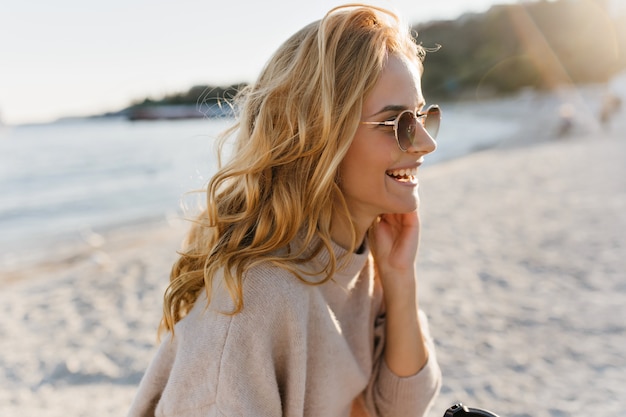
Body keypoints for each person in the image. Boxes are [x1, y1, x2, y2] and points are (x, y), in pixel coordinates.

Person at [128, 4, 442, 416]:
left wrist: (401, 278)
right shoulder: (253, 305)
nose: (425, 143)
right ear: (319, 134)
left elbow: (403, 408)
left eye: (421, 116)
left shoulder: (359, 253)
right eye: (397, 123)